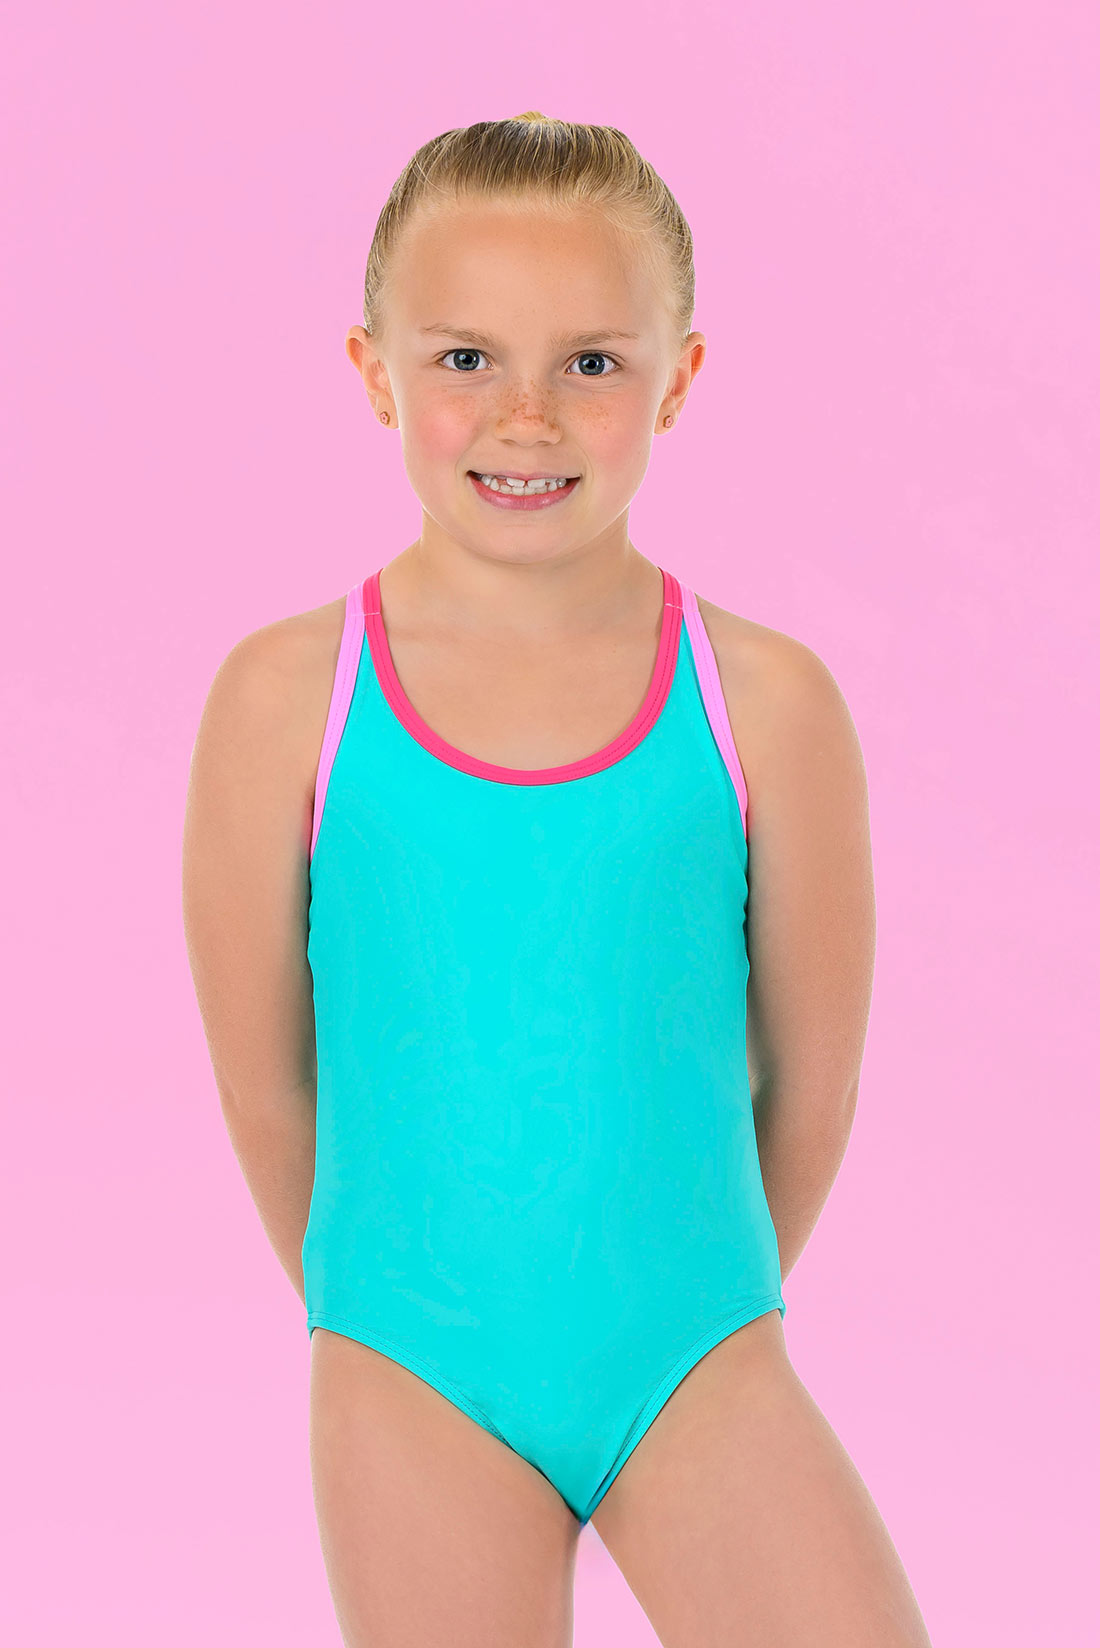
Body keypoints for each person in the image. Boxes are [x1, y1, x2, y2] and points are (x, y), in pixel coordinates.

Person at [182, 112, 933, 1648]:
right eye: (466, 358)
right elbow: (268, 1087)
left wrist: (679, 1304)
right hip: (412, 1372)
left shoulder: (767, 705)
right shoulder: (286, 701)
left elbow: (811, 1084)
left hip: (695, 1355)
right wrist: (390, 1306)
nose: (525, 416)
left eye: (591, 362)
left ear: (680, 378)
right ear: (376, 370)